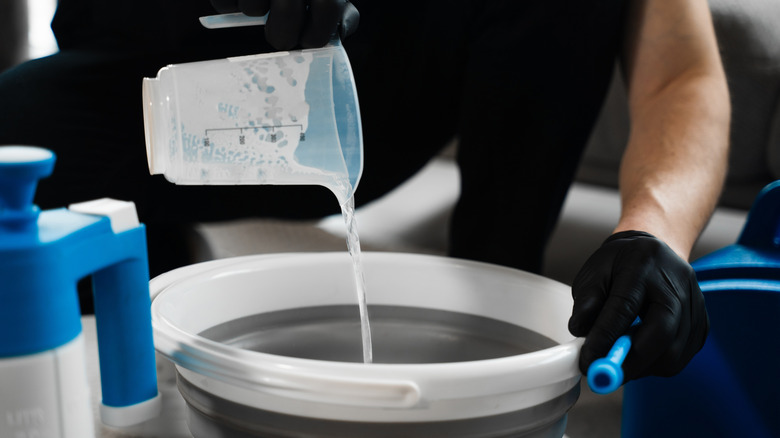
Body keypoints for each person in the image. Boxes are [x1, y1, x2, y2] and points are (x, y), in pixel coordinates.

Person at [0, 0, 729, 383]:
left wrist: (654, 230)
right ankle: (152, 252)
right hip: (158, 69)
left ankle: (489, 322)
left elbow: (682, 71)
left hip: (364, 91)